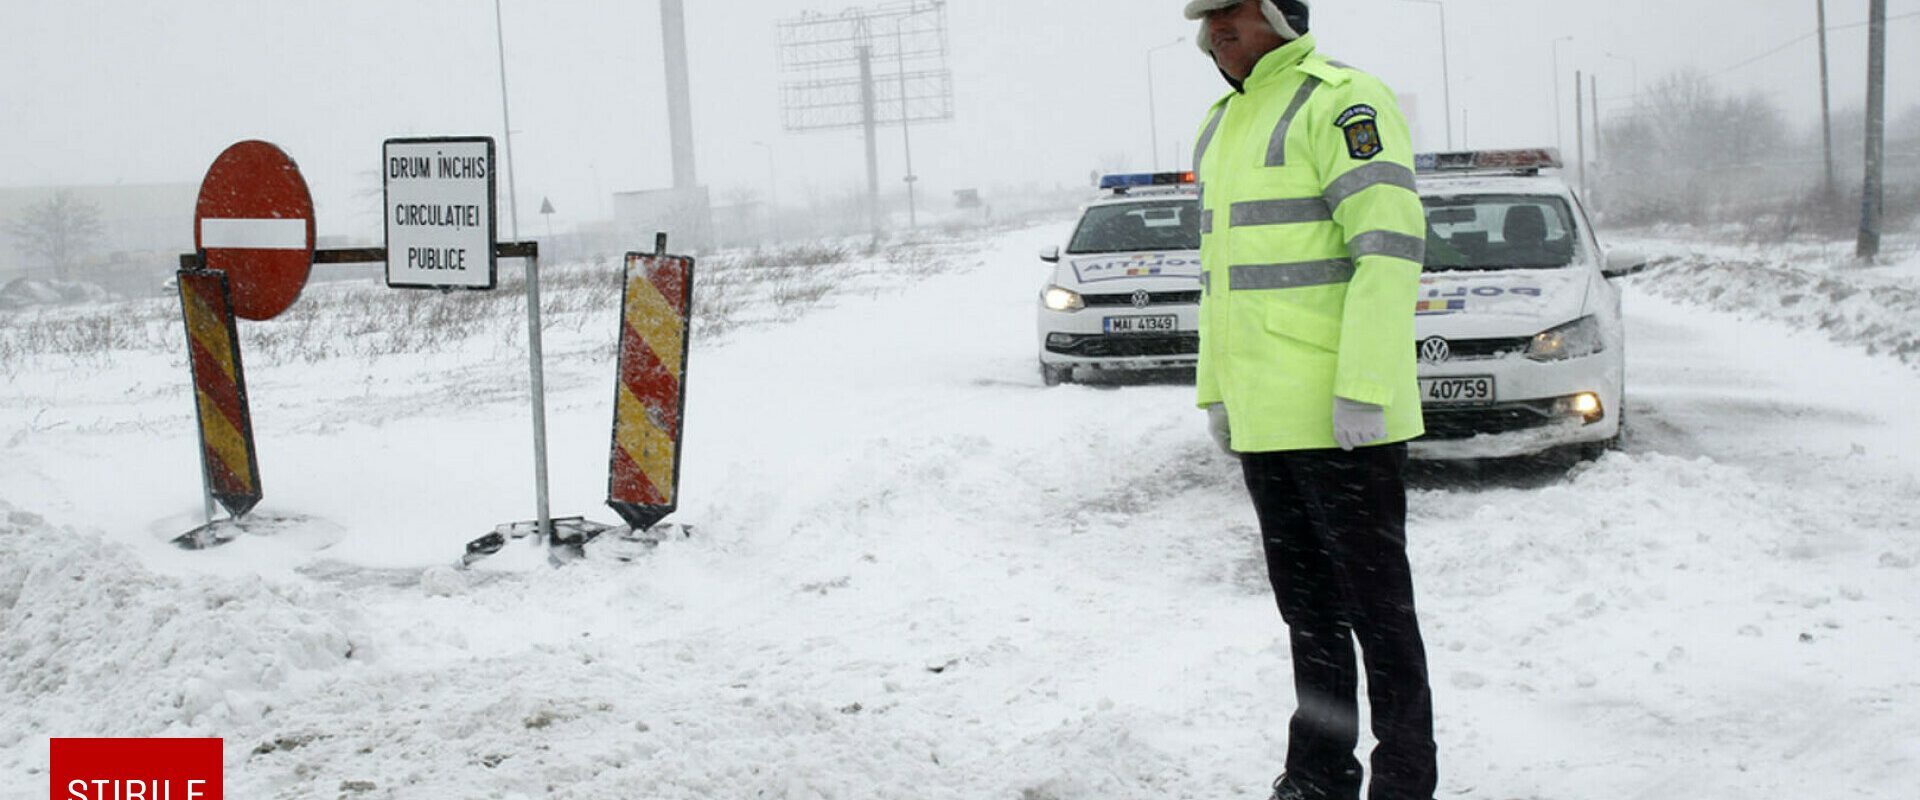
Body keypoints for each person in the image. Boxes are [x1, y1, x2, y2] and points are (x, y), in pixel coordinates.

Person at [1181, 2, 1438, 800]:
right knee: (1311, 619)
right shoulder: (1221, 123)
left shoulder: (1342, 101)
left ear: (1281, 20)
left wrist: (1363, 388)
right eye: (1208, 19)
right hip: (1267, 423)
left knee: (1379, 616)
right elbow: (1223, 279)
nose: (1217, 30)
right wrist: (1217, 394)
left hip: (1342, 421)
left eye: (1234, 14)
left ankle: (1403, 780)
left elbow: (1389, 249)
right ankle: (1320, 774)